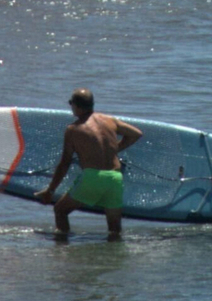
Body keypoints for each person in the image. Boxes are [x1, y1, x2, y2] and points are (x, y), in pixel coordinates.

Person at [35, 89, 142, 241]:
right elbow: (136, 133)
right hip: (115, 178)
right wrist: (114, 150)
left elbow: (64, 163)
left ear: (77, 106)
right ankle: (112, 262)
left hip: (93, 177)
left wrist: (50, 191)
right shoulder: (110, 120)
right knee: (114, 230)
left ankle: (61, 252)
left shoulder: (73, 129)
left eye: (71, 104)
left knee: (60, 210)